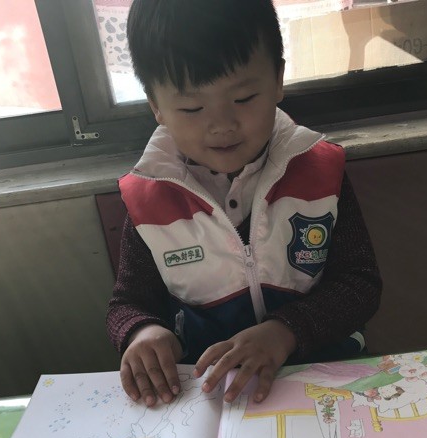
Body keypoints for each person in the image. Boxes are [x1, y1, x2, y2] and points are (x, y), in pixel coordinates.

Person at [107, 0, 382, 408]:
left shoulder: (320, 172)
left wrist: (284, 331)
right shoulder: (150, 199)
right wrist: (143, 332)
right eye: (192, 108)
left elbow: (360, 284)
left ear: (278, 80)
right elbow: (128, 303)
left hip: (324, 378)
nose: (222, 125)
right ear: (156, 106)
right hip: (214, 396)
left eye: (244, 97)